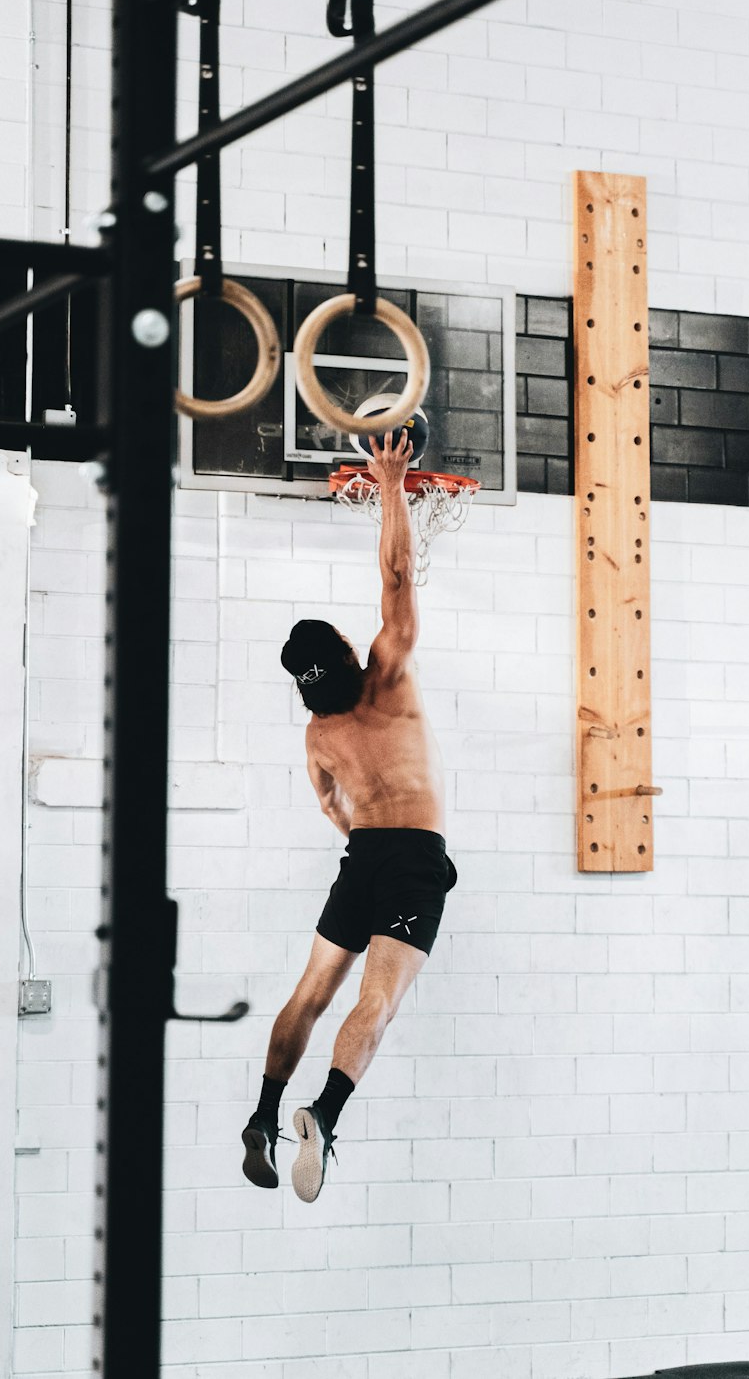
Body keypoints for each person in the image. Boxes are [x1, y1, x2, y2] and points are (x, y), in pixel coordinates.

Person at [241, 429, 457, 1202]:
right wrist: (391, 480)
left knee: (310, 992)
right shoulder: (388, 676)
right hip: (409, 861)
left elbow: (329, 804)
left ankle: (262, 1115)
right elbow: (398, 574)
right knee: (379, 1000)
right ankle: (323, 1117)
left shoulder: (319, 734)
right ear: (342, 647)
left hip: (361, 857)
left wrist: (359, 839)